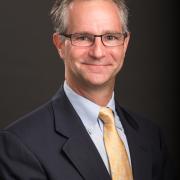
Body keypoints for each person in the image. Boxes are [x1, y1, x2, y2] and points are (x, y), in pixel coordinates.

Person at [0, 0, 175, 179]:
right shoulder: (20, 144)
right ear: (60, 44)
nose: (98, 52)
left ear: (125, 44)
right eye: (83, 37)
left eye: (110, 37)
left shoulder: (151, 136)